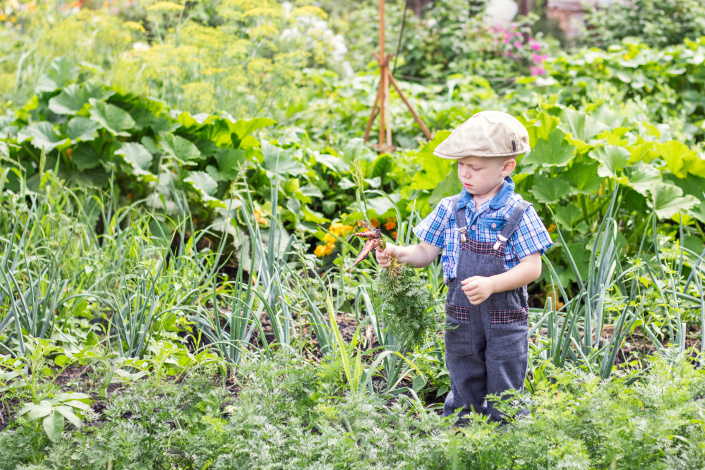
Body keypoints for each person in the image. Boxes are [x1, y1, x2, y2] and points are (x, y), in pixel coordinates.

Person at [375, 111, 552, 423]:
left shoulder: (519, 212)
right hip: (461, 317)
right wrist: (396, 252)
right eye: (461, 165)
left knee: (505, 383)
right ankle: (463, 438)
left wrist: (492, 284)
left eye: (476, 168)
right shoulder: (450, 208)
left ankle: (506, 443)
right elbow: (425, 252)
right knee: (463, 374)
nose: (465, 174)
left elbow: (532, 268)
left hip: (504, 320)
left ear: (506, 168)